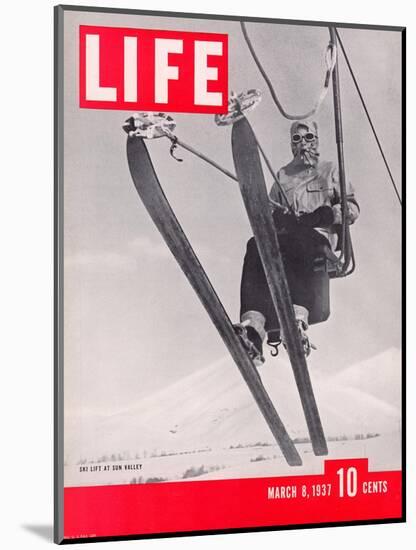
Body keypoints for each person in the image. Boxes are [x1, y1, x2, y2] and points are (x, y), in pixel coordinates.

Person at [236, 119, 360, 366]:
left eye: (308, 137)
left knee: (301, 239)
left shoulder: (330, 170)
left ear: (316, 140)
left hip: (317, 238)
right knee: (255, 246)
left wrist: (327, 214)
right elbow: (267, 212)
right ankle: (253, 328)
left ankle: (295, 321)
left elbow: (352, 208)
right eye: (297, 138)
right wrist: (275, 219)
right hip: (286, 238)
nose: (303, 143)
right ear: (291, 143)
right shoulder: (282, 175)